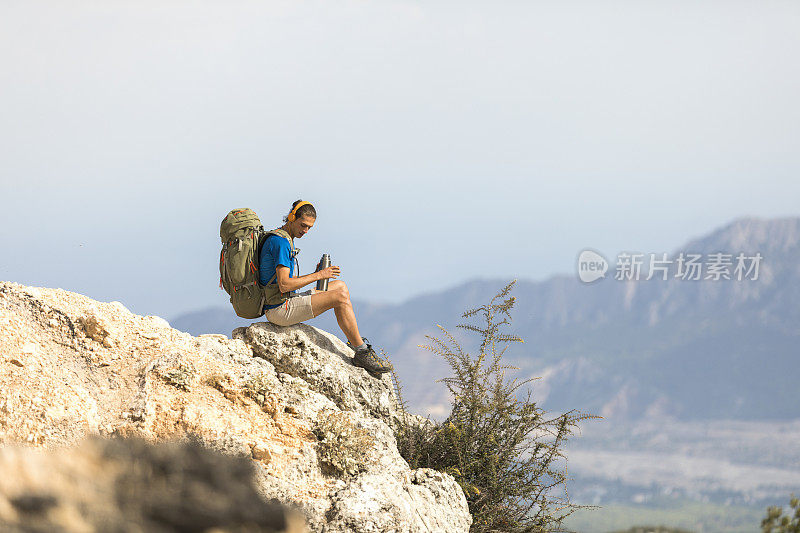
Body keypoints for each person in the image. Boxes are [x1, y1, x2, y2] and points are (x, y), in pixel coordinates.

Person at [259, 200, 391, 375]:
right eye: (303, 225)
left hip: (285, 299)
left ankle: (355, 342)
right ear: (292, 217)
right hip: (278, 310)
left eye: (309, 228)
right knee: (340, 298)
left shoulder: (283, 238)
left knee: (340, 286)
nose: (305, 231)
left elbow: (281, 281)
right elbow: (284, 285)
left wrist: (313, 274)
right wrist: (319, 276)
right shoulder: (280, 243)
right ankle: (361, 351)